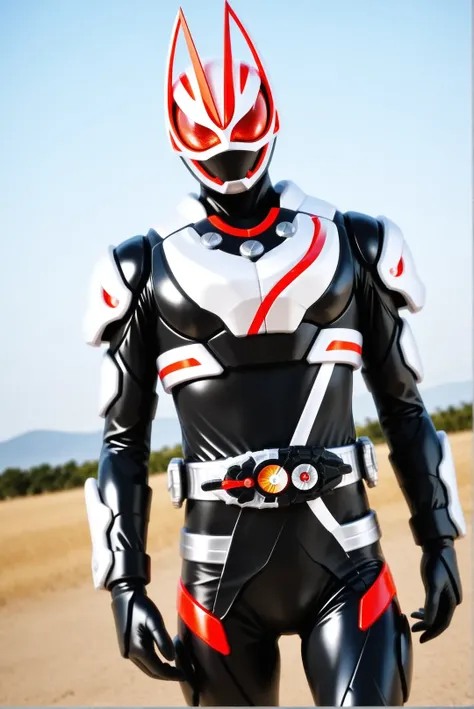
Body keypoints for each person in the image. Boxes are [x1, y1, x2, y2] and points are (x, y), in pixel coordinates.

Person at [83, 2, 466, 706]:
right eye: (209, 132)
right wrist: (124, 585)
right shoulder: (143, 271)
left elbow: (404, 407)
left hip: (346, 566)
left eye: (242, 125)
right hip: (219, 584)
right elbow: (121, 441)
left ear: (270, 117)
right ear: (180, 135)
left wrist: (438, 539)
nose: (229, 148)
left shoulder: (354, 244)